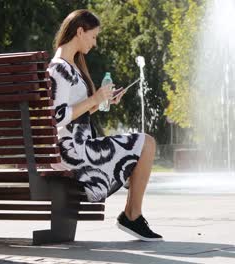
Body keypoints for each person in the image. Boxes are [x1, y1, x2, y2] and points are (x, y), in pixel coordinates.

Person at [47, 9, 162, 242]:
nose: (95, 42)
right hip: (72, 152)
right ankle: (132, 216)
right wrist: (94, 98)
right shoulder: (60, 67)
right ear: (80, 31)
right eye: (93, 36)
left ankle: (132, 212)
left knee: (143, 146)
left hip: (74, 146)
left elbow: (74, 115)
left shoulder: (69, 66)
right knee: (146, 144)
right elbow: (58, 116)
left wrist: (101, 102)